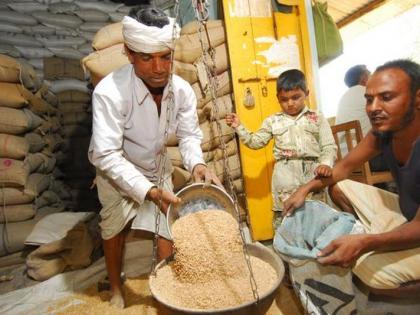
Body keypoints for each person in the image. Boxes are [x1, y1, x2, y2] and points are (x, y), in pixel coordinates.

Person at [88, 8, 220, 308]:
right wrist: (146, 191)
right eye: (147, 58)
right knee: (113, 229)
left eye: (165, 56)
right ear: (129, 54)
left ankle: (167, 285)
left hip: (156, 165)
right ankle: (117, 288)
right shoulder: (110, 92)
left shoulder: (182, 91)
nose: (159, 67)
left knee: (167, 223)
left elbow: (188, 136)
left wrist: (197, 163)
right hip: (114, 168)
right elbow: (106, 153)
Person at [283, 59, 420, 292]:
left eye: (386, 98)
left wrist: (365, 243)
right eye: (369, 99)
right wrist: (304, 189)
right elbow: (343, 167)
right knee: (339, 186)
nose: (374, 107)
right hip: (408, 213)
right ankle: (377, 239)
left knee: (369, 271)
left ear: (417, 99)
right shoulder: (382, 134)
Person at [226, 69, 337, 228]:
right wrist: (239, 127)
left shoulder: (317, 117)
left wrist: (326, 164)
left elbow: (328, 146)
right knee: (285, 218)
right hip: (284, 178)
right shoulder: (273, 121)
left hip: (313, 175)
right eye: (284, 99)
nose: (290, 103)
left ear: (306, 93)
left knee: (317, 217)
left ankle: (319, 250)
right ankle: (286, 250)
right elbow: (255, 142)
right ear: (278, 98)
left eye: (296, 97)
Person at [336, 64, 388, 172]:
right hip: (367, 160)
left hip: (345, 159)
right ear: (365, 79)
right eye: (370, 75)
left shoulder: (343, 98)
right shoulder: (367, 92)